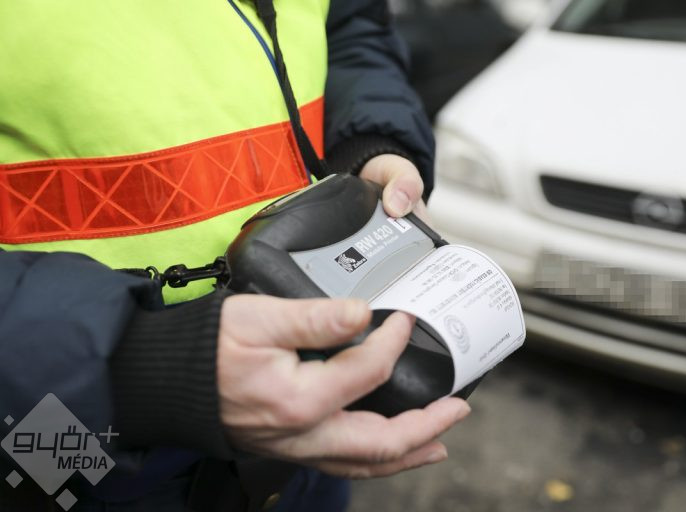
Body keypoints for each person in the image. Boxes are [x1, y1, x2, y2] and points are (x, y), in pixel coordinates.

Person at [0, 0, 471, 510]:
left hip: (304, 417)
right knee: (37, 493)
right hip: (80, 416)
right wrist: (142, 366)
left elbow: (351, 24)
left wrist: (368, 141)